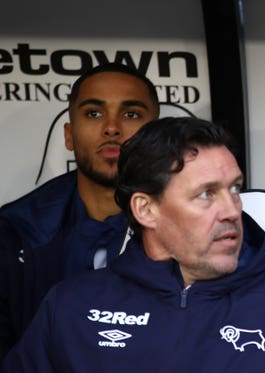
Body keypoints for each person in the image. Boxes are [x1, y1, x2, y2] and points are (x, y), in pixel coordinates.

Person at [2, 117, 265, 372]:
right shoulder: (71, 306)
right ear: (146, 209)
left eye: (234, 188)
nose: (232, 209)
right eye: (206, 194)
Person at [0, 62, 160, 359]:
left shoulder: (194, 228)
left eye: (131, 114)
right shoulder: (13, 231)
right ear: (69, 134)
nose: (112, 127)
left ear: (156, 135)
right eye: (94, 113)